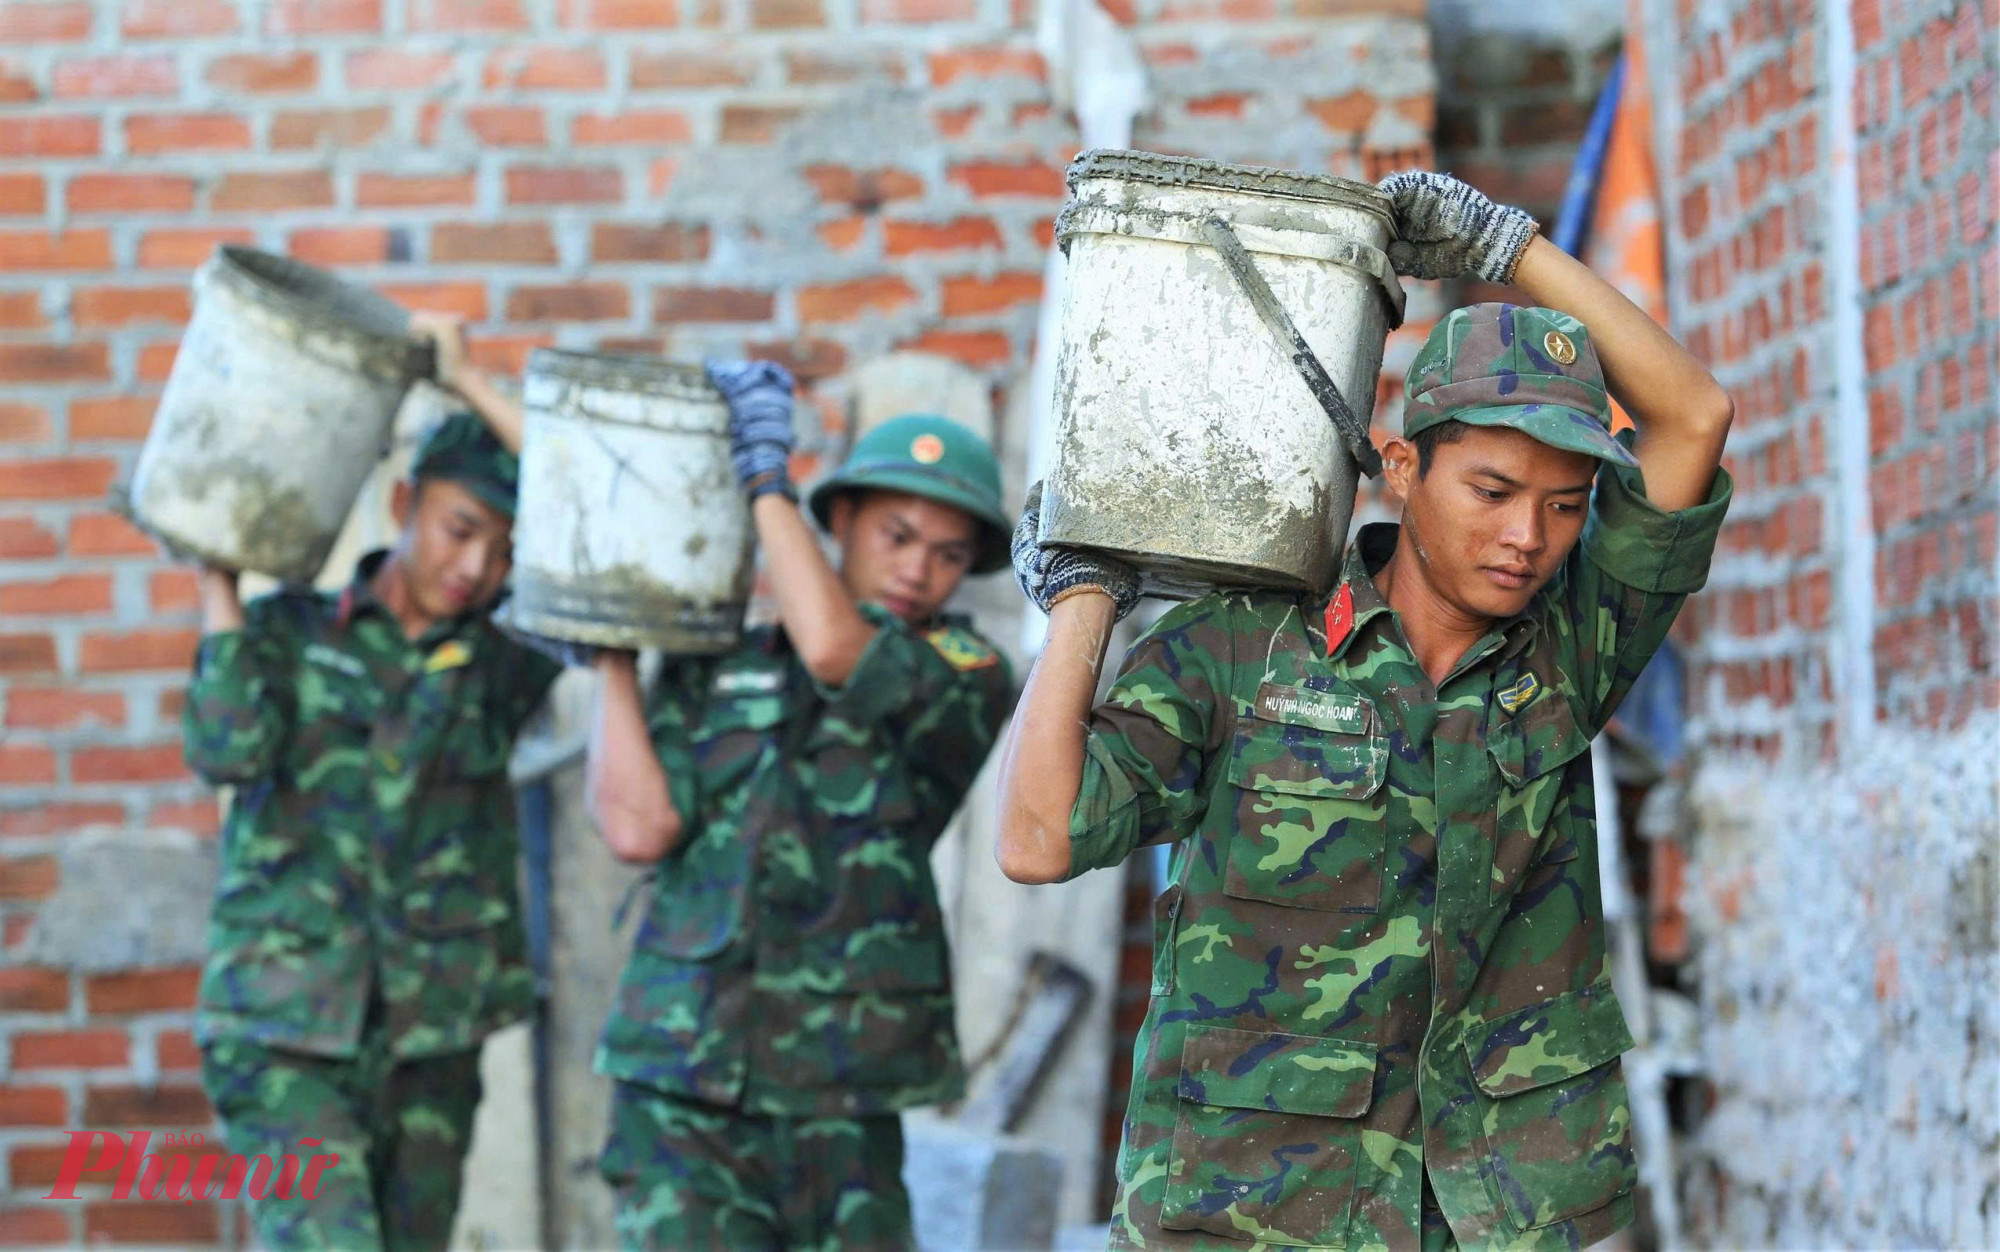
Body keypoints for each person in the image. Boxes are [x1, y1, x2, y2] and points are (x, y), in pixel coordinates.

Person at [997, 171, 1735, 1251]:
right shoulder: (1241, 650)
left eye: (1564, 506)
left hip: (1488, 1217)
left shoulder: (1569, 652)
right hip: (1248, 1214)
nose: (1526, 538)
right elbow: (1037, 837)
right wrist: (1085, 594)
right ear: (1400, 468)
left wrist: (1504, 245)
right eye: (1491, 491)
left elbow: (1693, 414)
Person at [581, 363, 1018, 1251]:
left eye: (947, 554)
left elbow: (833, 651)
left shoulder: (965, 675)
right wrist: (610, 658)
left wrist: (764, 479)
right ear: (841, 520)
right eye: (897, 536)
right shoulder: (721, 662)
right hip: (683, 1074)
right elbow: (637, 827)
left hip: (841, 1092)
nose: (917, 571)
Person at [184, 316, 557, 1250]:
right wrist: (218, 580)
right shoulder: (288, 633)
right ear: (404, 503)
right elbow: (225, 751)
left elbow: (597, 521)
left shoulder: (502, 662)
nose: (475, 568)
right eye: (460, 530)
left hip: (432, 1033)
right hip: (284, 1030)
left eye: (505, 550)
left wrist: (467, 383)